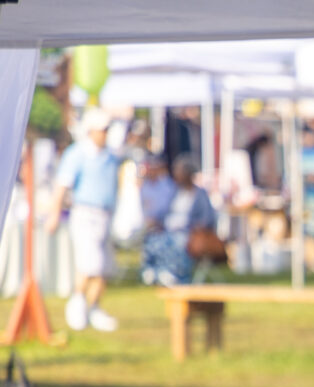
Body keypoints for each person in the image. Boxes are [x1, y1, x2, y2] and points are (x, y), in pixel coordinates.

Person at [45, 107, 121, 332]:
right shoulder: (77, 154)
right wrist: (54, 214)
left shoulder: (111, 156)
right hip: (85, 214)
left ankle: (94, 307)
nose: (106, 133)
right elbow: (62, 187)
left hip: (106, 214)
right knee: (90, 264)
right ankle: (78, 303)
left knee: (104, 267)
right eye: (102, 129)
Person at [140, 155, 217, 286]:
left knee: (176, 242)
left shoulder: (199, 194)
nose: (176, 174)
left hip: (189, 233)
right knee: (154, 239)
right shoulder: (175, 192)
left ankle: (176, 274)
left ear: (188, 174)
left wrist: (194, 227)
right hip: (169, 229)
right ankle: (155, 271)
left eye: (179, 171)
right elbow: (166, 213)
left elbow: (207, 217)